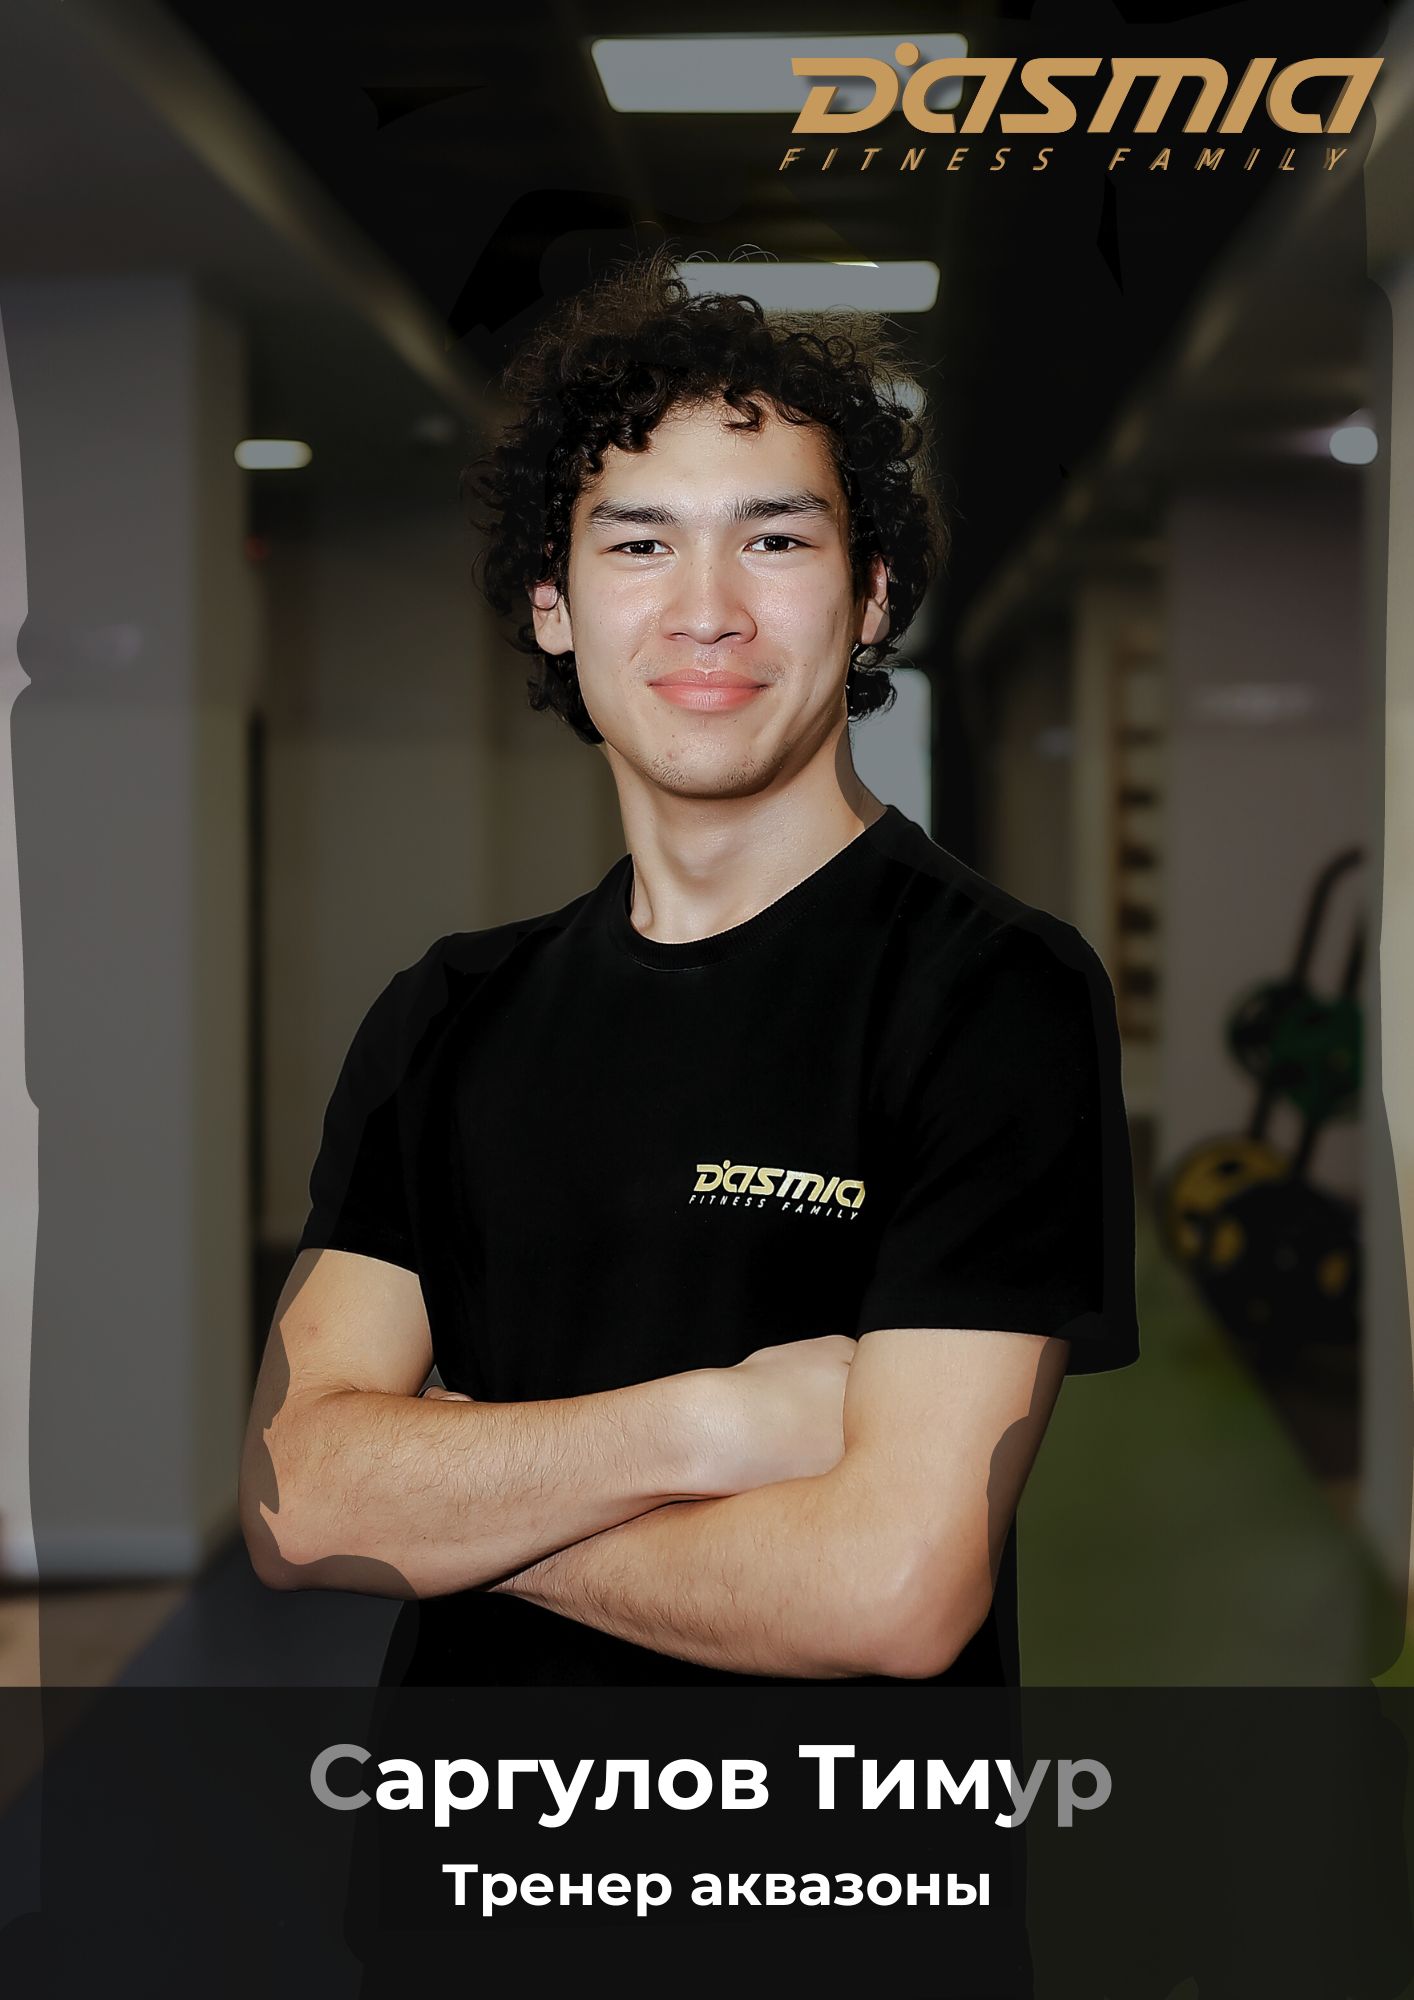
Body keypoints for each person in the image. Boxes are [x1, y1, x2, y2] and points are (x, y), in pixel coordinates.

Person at [238, 244, 1139, 1687]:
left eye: (774, 541)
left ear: (870, 597)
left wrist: (450, 1509)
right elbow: (298, 1500)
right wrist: (711, 1426)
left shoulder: (991, 994)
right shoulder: (448, 1013)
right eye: (638, 543)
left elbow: (890, 1595)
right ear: (554, 603)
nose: (705, 608)